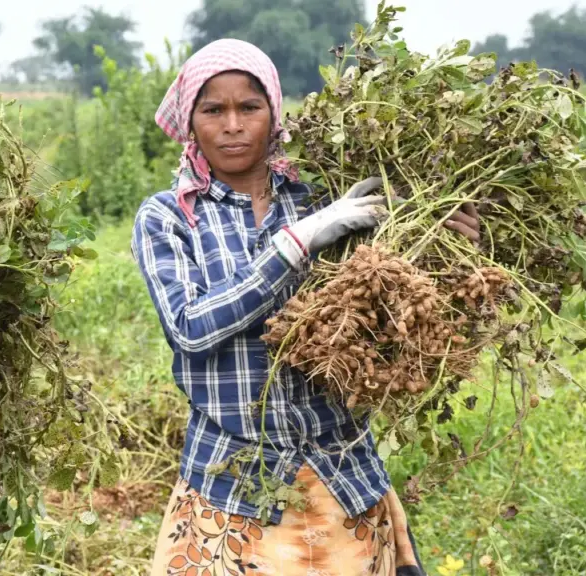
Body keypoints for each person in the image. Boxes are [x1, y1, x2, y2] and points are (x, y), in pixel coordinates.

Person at [134, 40, 481, 575]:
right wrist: (297, 244)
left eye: (249, 107)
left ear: (273, 112)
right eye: (213, 110)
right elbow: (191, 329)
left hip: (342, 474)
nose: (232, 125)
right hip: (232, 483)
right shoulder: (168, 218)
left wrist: (447, 245)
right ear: (189, 120)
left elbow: (394, 316)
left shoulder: (324, 199)